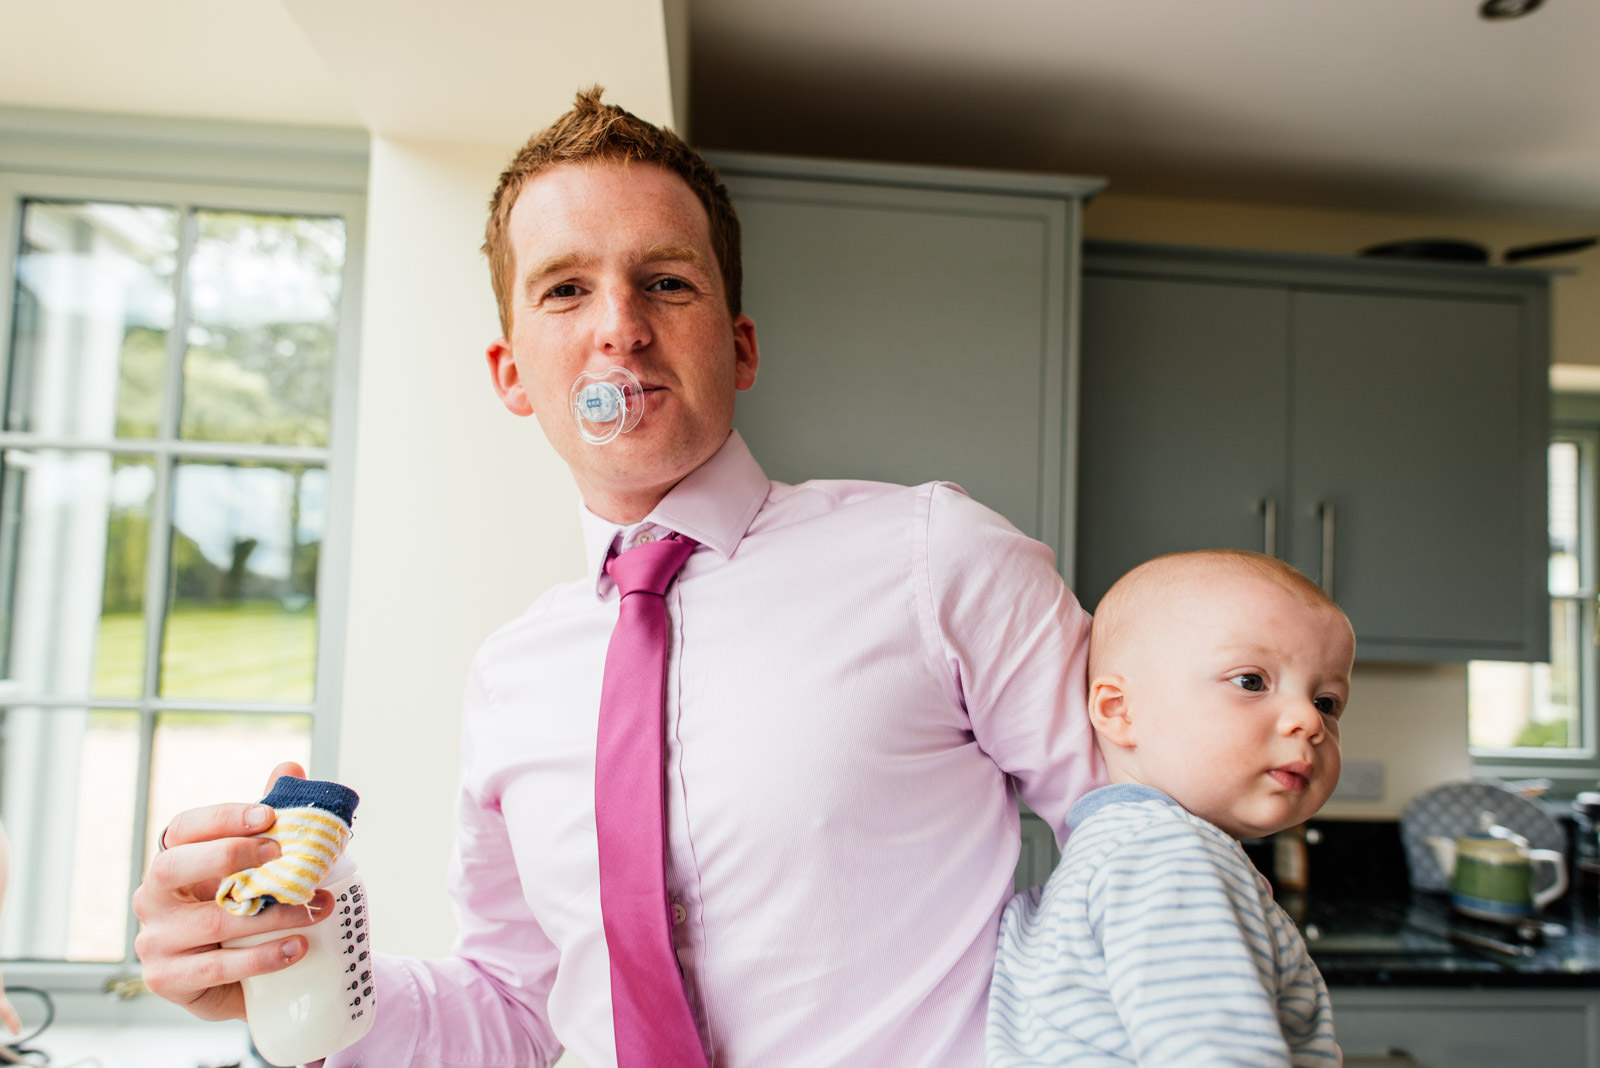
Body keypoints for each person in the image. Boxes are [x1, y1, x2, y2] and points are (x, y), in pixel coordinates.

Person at [133, 88, 1104, 1066]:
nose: (620, 329)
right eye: (564, 289)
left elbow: (1146, 842)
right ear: (512, 373)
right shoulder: (512, 676)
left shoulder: (936, 561)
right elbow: (516, 1008)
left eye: (667, 283)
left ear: (741, 345)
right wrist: (280, 978)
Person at [986, 549, 1349, 1067]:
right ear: (1119, 711)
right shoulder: (1175, 857)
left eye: (1327, 702)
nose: (1308, 722)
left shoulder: (1110, 855)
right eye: (1251, 681)